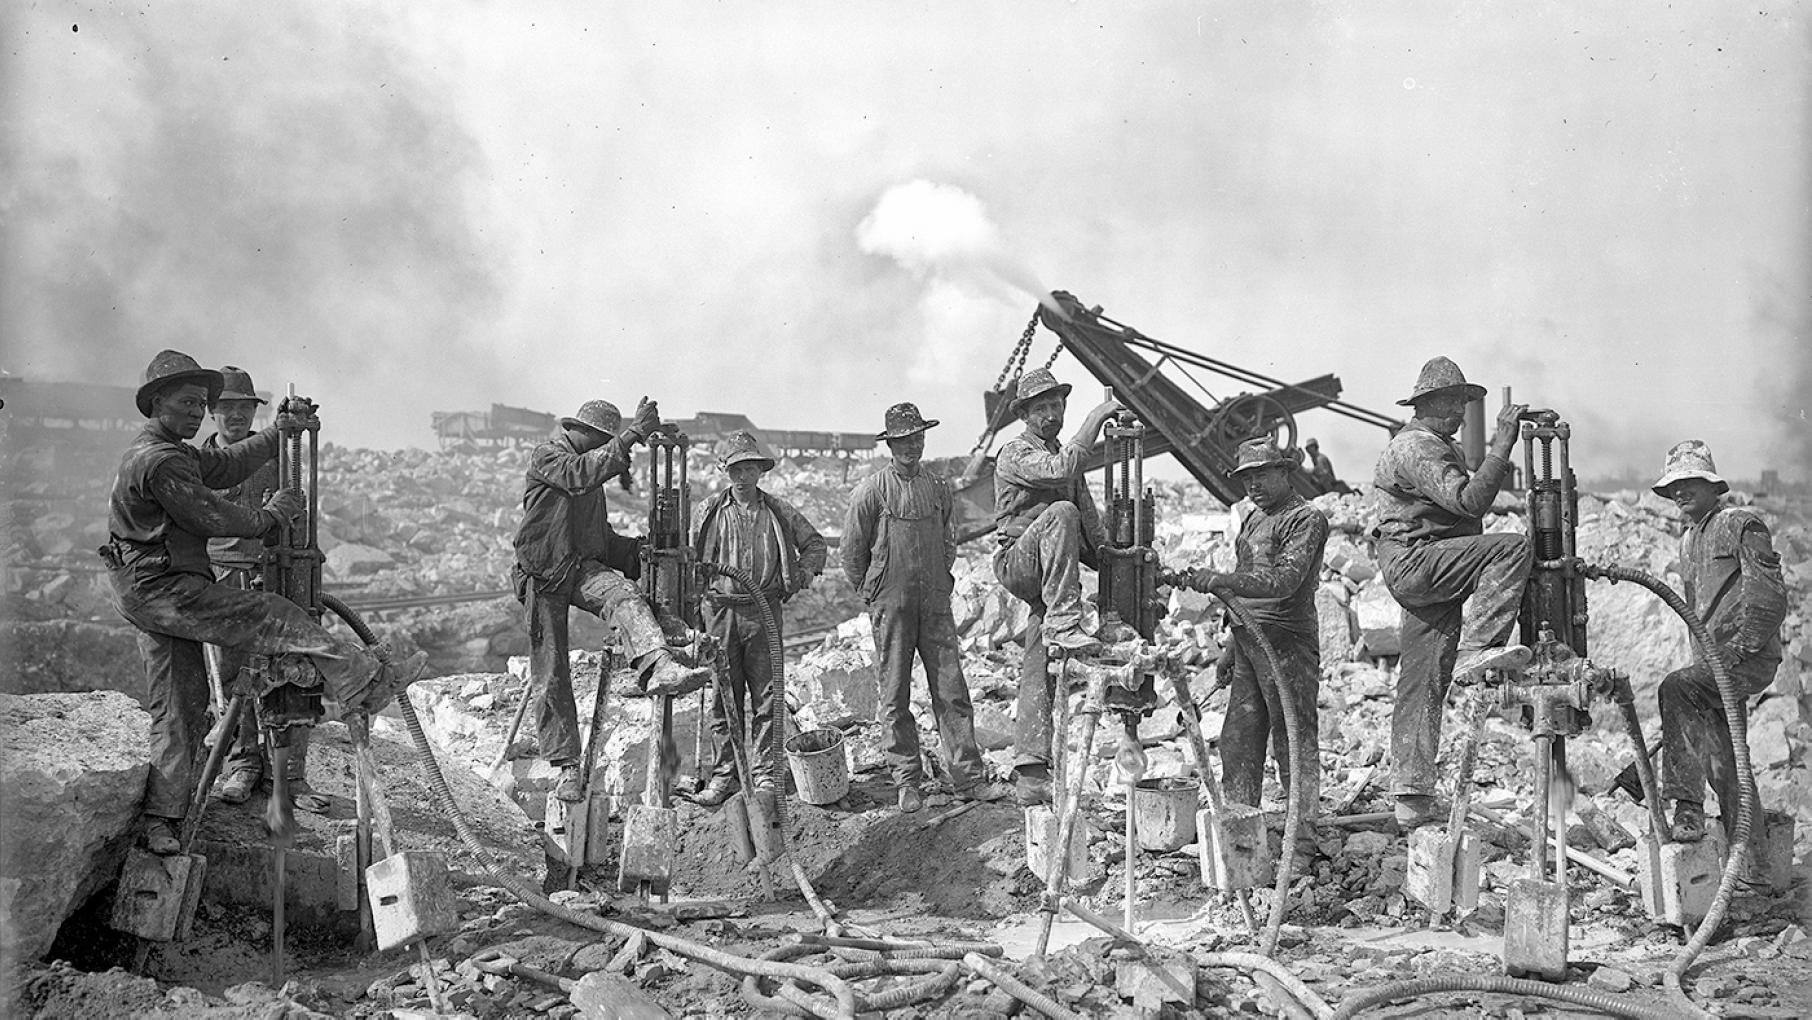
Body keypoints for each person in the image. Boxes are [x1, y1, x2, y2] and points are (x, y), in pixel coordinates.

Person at [104, 350, 422, 855]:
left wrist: (281, 432)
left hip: (149, 589)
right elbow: (212, 515)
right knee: (274, 616)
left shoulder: (176, 451)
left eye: (199, 403)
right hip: (162, 588)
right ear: (157, 403)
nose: (197, 411)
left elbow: (227, 464)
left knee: (180, 703)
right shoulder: (159, 460)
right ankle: (363, 682)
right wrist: (269, 517)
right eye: (189, 402)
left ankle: (162, 820)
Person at [513, 397, 712, 803]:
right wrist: (632, 435)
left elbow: (600, 541)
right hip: (543, 574)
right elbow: (578, 474)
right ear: (581, 434)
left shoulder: (591, 483)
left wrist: (642, 553)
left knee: (625, 596)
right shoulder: (550, 457)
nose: (605, 449)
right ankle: (567, 765)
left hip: (580, 568)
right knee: (551, 671)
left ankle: (656, 667)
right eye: (603, 441)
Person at [1371, 356, 1533, 829]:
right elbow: (1469, 501)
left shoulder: (1435, 444)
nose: (1462, 413)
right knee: (1509, 550)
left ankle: (1411, 796)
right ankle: (1479, 650)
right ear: (1430, 403)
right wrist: (1502, 445)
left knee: (1422, 681)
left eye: (1465, 403)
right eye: (1455, 403)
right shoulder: (1420, 447)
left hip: (1426, 567)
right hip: (1419, 563)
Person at [842, 403, 1008, 812]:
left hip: (934, 602)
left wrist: (938, 580)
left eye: (917, 438)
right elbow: (851, 553)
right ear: (890, 444)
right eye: (903, 440)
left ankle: (967, 779)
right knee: (895, 696)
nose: (911, 446)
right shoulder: (871, 491)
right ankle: (907, 782)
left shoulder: (937, 488)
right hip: (892, 606)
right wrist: (875, 591)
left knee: (951, 691)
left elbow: (949, 541)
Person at [1174, 437, 1329, 825]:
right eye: (1247, 479)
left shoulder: (1305, 519)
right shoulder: (1253, 519)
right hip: (1249, 640)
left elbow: (1284, 581)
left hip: (1286, 642)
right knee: (1239, 739)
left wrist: (1219, 579)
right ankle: (1240, 826)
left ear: (1283, 472)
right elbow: (1246, 590)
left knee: (1293, 742)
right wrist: (1230, 647)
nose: (1253, 486)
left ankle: (1303, 836)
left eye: (1261, 475)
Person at [196, 366, 328, 813]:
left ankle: (287, 776)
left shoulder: (270, 459)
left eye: (243, 409)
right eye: (227, 408)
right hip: (221, 578)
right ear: (213, 413)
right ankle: (243, 764)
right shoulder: (202, 465)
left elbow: (295, 515)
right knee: (233, 679)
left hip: (271, 575)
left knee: (288, 672)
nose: (235, 416)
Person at [990, 367, 1122, 806]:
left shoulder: (1066, 464)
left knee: (1038, 656)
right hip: (1018, 563)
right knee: (1061, 511)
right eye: (1040, 407)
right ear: (1024, 414)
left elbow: (1091, 528)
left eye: (1055, 404)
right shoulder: (1016, 452)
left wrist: (1121, 565)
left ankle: (1031, 772)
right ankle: (1065, 619)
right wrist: (1097, 418)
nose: (1050, 413)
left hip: (1049, 573)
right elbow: (1063, 475)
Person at [1650, 440, 1787, 845]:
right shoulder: (1689, 540)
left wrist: (1738, 650)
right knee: (1723, 761)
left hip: (1748, 655)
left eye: (1690, 481)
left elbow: (1770, 597)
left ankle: (1686, 807)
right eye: (1673, 485)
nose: (1680, 491)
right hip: (1714, 662)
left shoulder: (1740, 524)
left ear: (1714, 486)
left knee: (1677, 687)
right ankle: (1757, 865)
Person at [691, 431, 827, 807]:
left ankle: (766, 773)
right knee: (724, 697)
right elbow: (689, 559)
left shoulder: (778, 511)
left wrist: (802, 573)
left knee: (767, 696)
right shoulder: (708, 513)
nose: (743, 475)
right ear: (726, 471)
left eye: (749, 466)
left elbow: (815, 544)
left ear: (759, 470)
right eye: (736, 467)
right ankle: (725, 775)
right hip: (719, 612)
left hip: (762, 610)